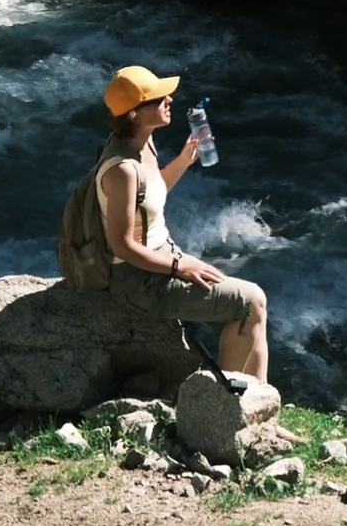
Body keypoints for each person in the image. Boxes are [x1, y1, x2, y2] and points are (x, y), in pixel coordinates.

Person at [97, 65, 277, 387]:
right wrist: (180, 265)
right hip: (139, 279)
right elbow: (122, 245)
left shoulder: (143, 143)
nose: (169, 100)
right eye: (157, 98)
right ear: (135, 114)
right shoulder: (121, 169)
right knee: (250, 302)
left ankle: (262, 405)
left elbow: (151, 193)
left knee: (255, 306)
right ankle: (225, 403)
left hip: (161, 260)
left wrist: (184, 159)